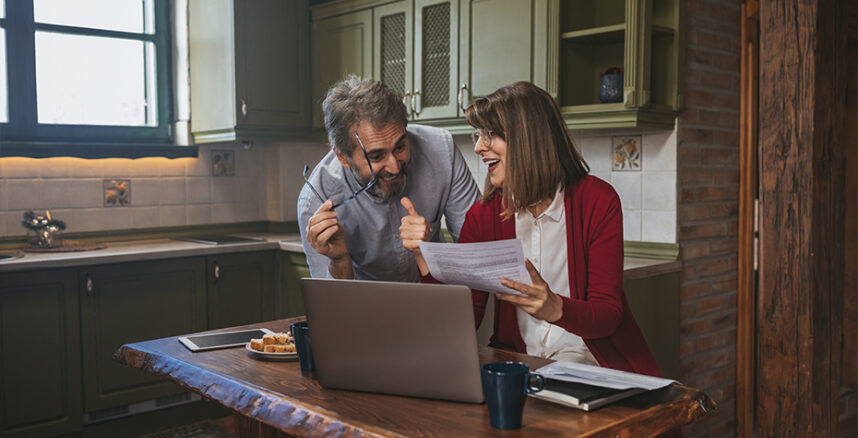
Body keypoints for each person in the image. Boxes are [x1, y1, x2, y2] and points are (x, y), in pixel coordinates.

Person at [401, 81, 661, 377]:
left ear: (528, 139)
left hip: (592, 366)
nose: (478, 147)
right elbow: (459, 322)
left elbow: (608, 315)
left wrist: (555, 308)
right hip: (521, 368)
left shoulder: (597, 201)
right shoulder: (484, 216)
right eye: (478, 135)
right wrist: (425, 260)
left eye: (491, 135)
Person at [298, 76, 480, 281]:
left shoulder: (442, 151)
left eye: (400, 147)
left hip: (432, 298)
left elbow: (478, 252)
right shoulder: (316, 200)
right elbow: (331, 306)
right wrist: (339, 262)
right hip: (364, 308)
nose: (394, 167)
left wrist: (429, 253)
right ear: (342, 156)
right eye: (376, 156)